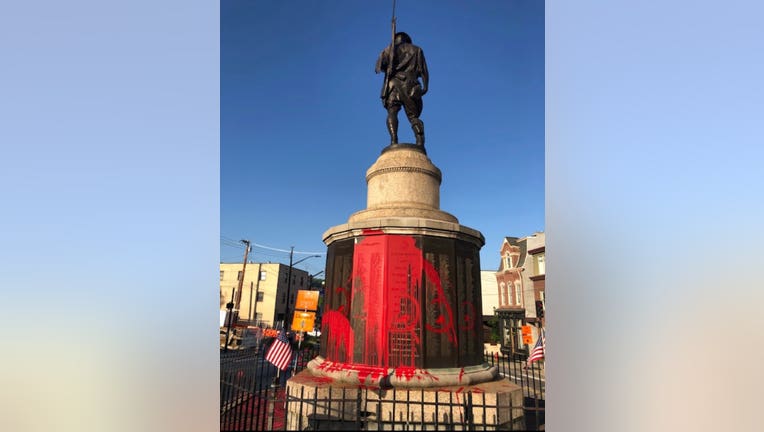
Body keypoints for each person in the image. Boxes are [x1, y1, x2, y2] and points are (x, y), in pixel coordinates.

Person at [375, 32, 429, 147]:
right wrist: (425, 88)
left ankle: (393, 140)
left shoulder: (388, 50)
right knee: (413, 116)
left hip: (392, 84)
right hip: (410, 84)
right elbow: (424, 71)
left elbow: (378, 68)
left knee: (392, 111)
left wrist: (387, 61)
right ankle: (420, 142)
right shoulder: (417, 50)